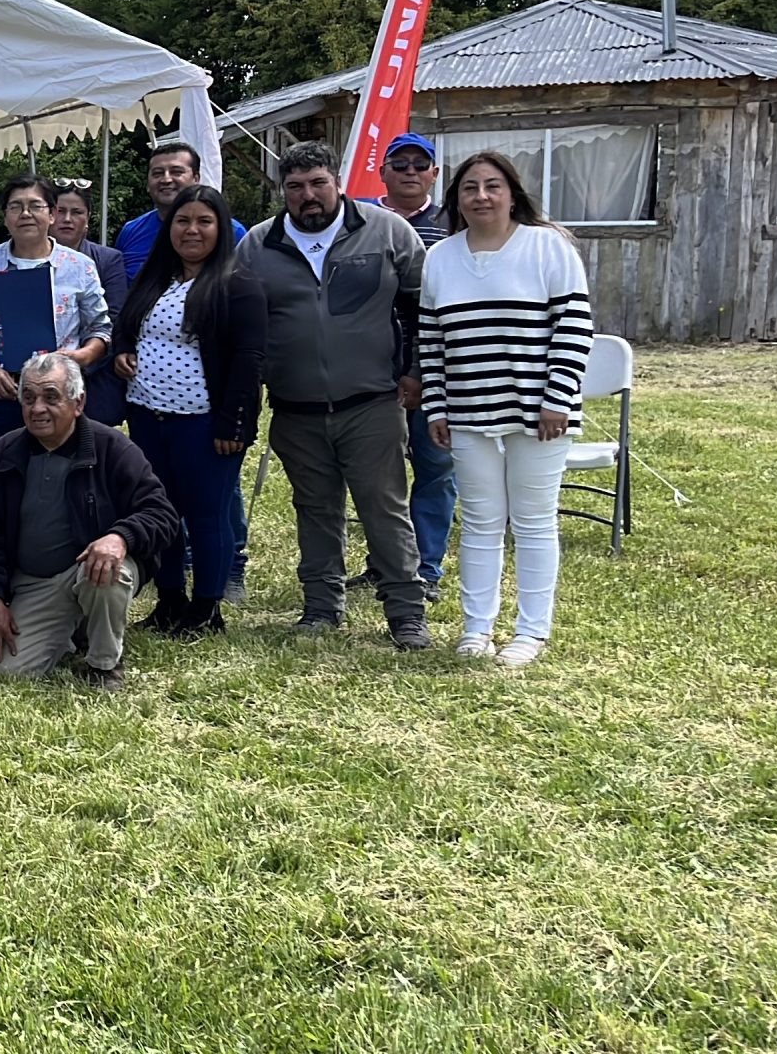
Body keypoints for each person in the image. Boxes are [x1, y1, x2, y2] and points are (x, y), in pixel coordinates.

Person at [239, 141, 432, 647]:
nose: (308, 195)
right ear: (283, 191)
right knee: (314, 509)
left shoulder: (387, 231)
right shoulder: (258, 244)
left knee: (384, 510)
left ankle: (406, 613)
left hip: (371, 402)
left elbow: (425, 308)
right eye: (295, 186)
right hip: (295, 406)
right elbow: (240, 323)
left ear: (337, 182)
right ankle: (322, 607)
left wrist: (415, 372)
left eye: (318, 183)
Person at [421, 151, 594, 667]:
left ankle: (531, 632)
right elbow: (431, 340)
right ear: (456, 199)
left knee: (534, 520)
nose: (481, 196)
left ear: (512, 194)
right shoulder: (440, 257)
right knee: (480, 522)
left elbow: (574, 327)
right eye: (470, 188)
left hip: (539, 411)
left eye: (492, 186)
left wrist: (557, 398)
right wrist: (436, 407)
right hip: (467, 409)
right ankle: (476, 629)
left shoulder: (548, 246)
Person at [0, 353, 180, 691]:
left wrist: (120, 538)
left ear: (78, 403)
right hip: (34, 582)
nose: (37, 408)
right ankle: (75, 629)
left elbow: (162, 514)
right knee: (6, 673)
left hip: (93, 571)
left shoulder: (113, 448)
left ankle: (104, 665)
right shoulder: (4, 453)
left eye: (51, 397)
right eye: (29, 398)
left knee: (106, 573)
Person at [111, 185, 267, 639]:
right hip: (148, 416)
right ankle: (170, 599)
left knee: (206, 515)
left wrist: (234, 423)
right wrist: (123, 351)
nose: (192, 230)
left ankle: (206, 608)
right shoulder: (156, 278)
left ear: (221, 229)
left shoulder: (238, 284)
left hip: (205, 422)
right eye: (182, 221)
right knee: (162, 511)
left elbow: (248, 360)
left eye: (204, 221)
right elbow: (127, 326)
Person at [362, 130, 457, 604]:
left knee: (435, 466)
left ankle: (427, 568)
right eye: (400, 165)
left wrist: (419, 370)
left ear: (435, 174)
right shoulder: (361, 220)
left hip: (439, 365)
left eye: (421, 165)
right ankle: (384, 563)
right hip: (371, 366)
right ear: (383, 172)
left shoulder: (453, 224)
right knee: (379, 476)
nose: (410, 173)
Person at [0, 175, 112, 446]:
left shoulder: (79, 266)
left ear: (51, 214)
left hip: (57, 392)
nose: (25, 214)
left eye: (35, 206)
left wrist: (82, 356)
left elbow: (100, 329)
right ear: (5, 217)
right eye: (16, 206)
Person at [50, 181, 130, 425]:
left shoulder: (107, 260)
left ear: (87, 219)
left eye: (77, 212)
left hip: (95, 373)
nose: (67, 219)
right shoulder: (27, 259)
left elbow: (115, 317)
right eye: (60, 211)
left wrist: (85, 357)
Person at [112, 138, 245, 266]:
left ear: (196, 179)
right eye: (157, 173)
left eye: (176, 172)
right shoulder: (131, 232)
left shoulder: (231, 232)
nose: (166, 179)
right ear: (147, 183)